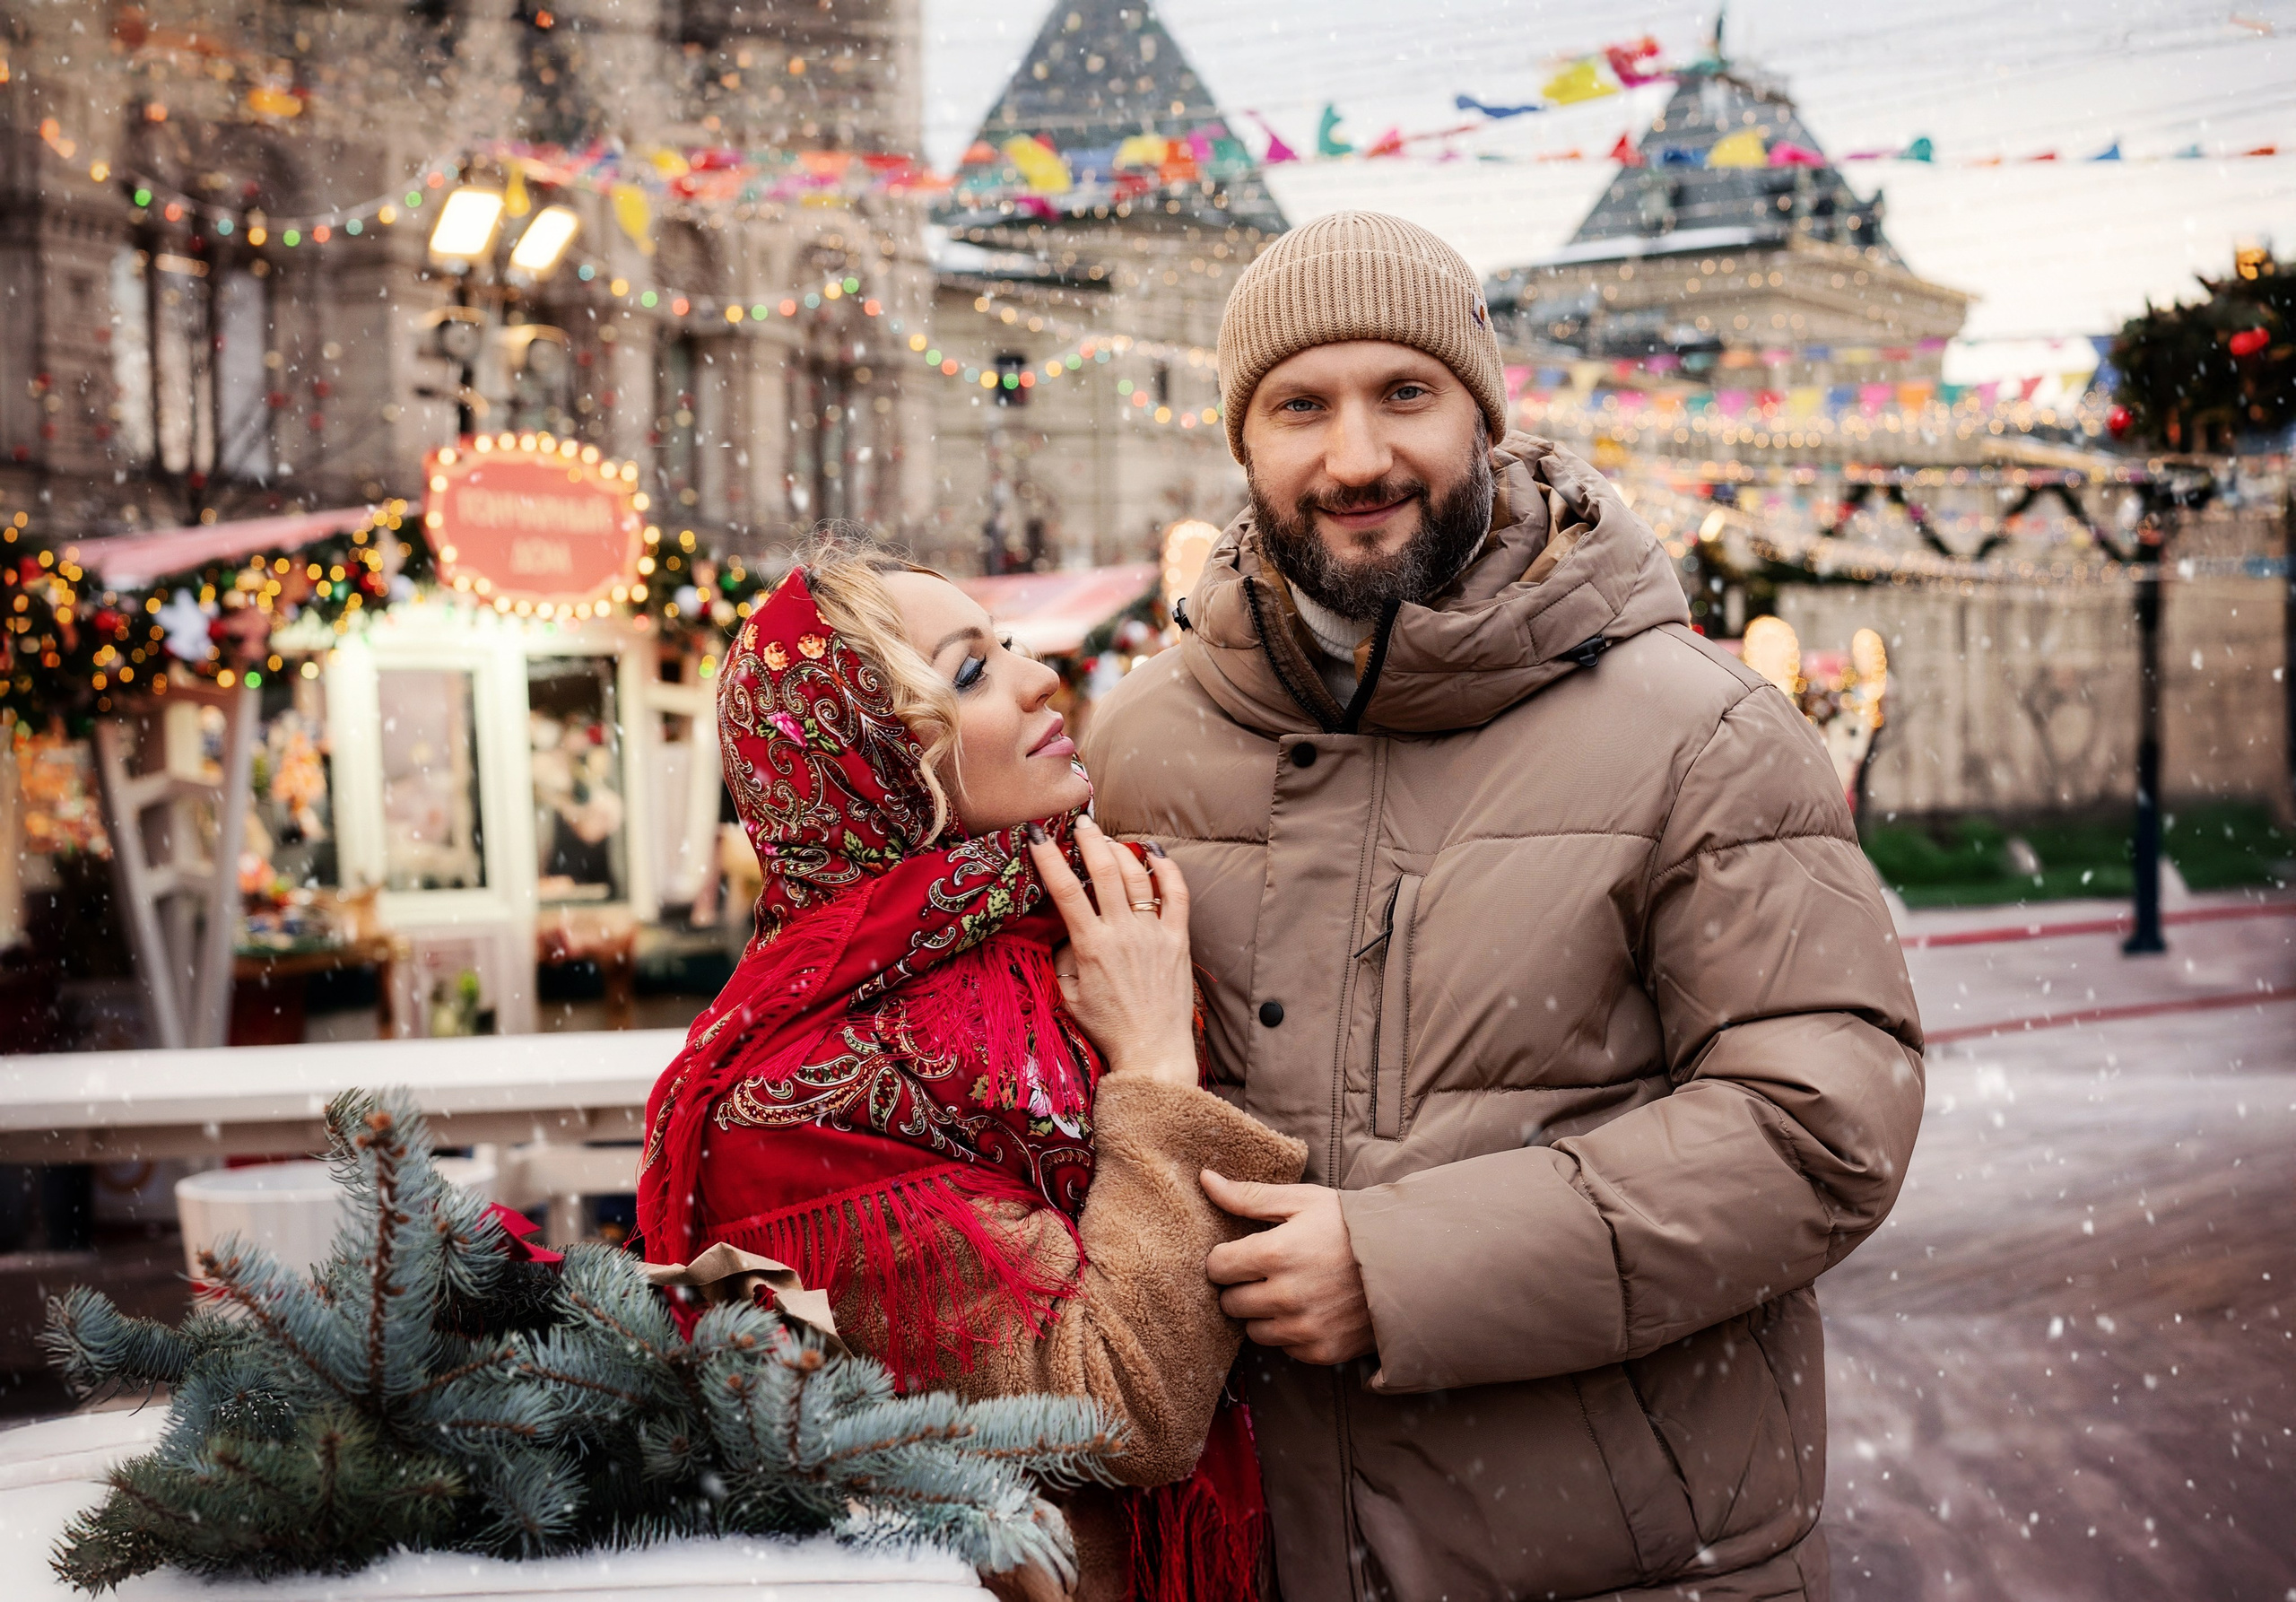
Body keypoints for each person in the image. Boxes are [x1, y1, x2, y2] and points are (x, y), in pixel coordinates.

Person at [1083, 212, 1926, 1601]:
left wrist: (1407, 1264)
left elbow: (1823, 1123)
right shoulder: (1138, 748)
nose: (1356, 457)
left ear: (1484, 414)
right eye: (1302, 404)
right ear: (1244, 444)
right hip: (1247, 1558)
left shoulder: (1699, 731)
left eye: (1403, 393)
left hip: (1619, 1564)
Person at [637, 533, 1304, 1602]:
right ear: (870, 761)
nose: (1041, 675)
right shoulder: (794, 1102)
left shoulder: (1066, 920)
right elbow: (1118, 1410)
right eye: (970, 671)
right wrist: (1152, 1064)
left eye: (1006, 645)